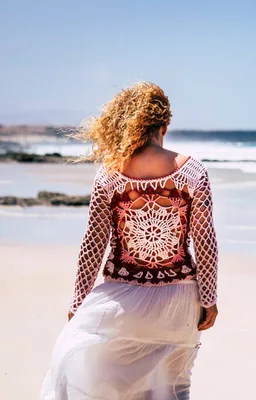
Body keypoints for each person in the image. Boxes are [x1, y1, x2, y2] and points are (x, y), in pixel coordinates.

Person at [40, 82, 219, 399]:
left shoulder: (109, 175)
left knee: (98, 380)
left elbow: (93, 245)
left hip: (123, 301)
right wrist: (209, 299)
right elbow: (205, 242)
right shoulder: (193, 172)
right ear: (165, 125)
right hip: (179, 302)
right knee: (176, 387)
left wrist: (78, 303)